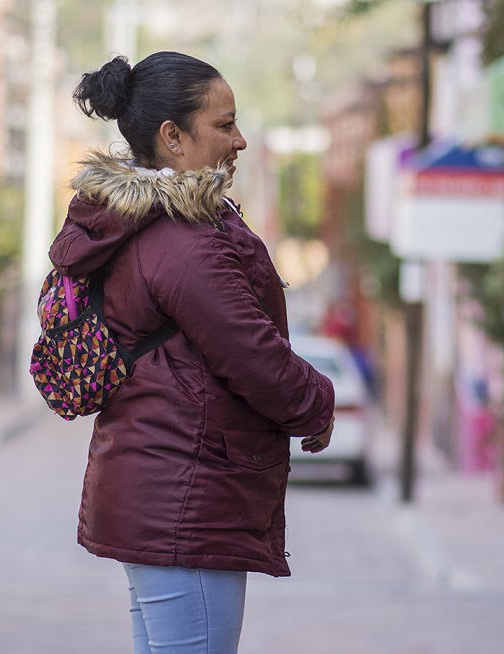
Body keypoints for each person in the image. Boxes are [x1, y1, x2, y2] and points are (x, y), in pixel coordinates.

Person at [49, 51, 335, 654]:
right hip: (185, 500)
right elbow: (252, 354)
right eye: (225, 125)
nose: (241, 140)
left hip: (158, 493)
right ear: (172, 137)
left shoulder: (140, 223)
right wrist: (318, 403)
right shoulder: (186, 241)